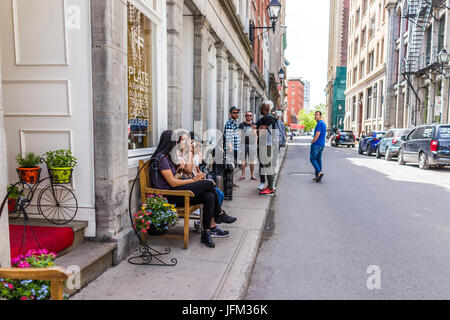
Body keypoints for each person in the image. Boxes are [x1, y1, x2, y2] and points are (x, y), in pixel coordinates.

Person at [149, 130, 237, 248]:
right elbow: (173, 183)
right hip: (167, 196)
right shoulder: (161, 159)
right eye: (175, 143)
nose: (177, 146)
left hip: (175, 193)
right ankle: (219, 213)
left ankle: (206, 234)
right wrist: (193, 181)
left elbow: (185, 171)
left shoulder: (167, 158)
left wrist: (180, 168)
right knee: (209, 184)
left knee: (209, 196)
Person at [256, 101, 277, 195]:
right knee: (267, 166)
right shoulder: (268, 118)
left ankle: (270, 188)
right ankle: (270, 187)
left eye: (261, 109)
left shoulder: (268, 118)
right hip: (268, 144)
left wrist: (258, 129)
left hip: (267, 145)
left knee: (267, 166)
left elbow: (261, 131)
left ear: (263, 110)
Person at [238, 111, 257, 181]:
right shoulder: (241, 125)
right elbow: (239, 135)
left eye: (250, 115)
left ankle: (252, 175)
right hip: (243, 144)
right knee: (243, 160)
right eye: (247, 115)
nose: (249, 117)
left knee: (252, 160)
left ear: (252, 116)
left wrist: (255, 144)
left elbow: (256, 136)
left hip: (251, 144)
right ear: (245, 116)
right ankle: (243, 175)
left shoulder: (254, 125)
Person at [310, 111, 327, 183]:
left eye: (317, 115)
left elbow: (317, 134)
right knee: (318, 160)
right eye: (315, 115)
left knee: (312, 159)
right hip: (322, 145)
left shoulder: (319, 123)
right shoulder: (323, 123)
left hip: (316, 144)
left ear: (320, 116)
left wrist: (313, 141)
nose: (315, 116)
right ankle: (317, 176)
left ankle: (319, 172)